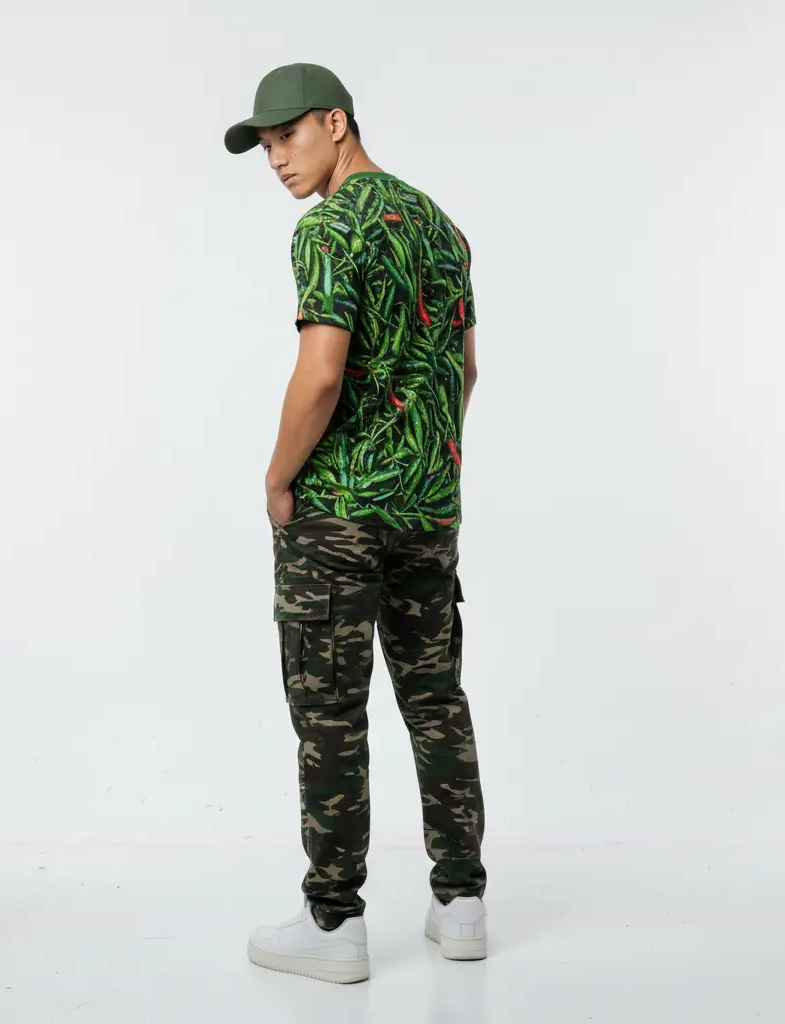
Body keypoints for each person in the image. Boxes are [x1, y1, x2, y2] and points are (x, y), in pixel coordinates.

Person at [224, 62, 487, 984]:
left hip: (337, 515)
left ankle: (334, 922)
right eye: (265, 146)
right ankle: (461, 903)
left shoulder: (330, 227)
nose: (276, 159)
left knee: (331, 715)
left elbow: (322, 372)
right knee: (436, 699)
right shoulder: (441, 227)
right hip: (428, 509)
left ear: (336, 123)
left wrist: (278, 479)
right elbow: (465, 372)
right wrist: (424, 466)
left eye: (287, 136)